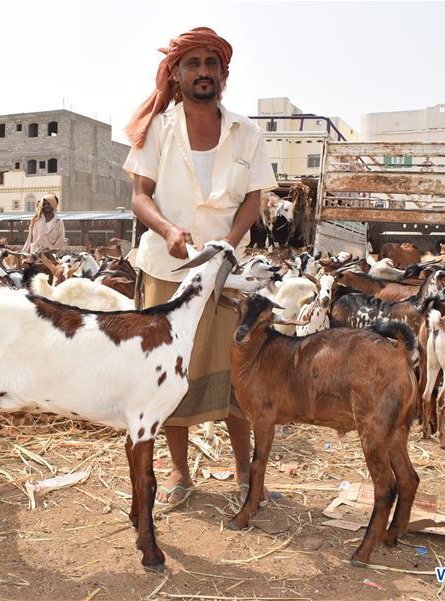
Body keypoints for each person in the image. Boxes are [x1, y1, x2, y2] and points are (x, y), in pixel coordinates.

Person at [124, 27, 277, 505]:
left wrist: (229, 244)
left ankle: (243, 471)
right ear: (176, 73)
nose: (204, 72)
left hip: (227, 273)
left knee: (237, 372)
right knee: (171, 372)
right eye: (193, 63)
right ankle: (179, 473)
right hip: (168, 271)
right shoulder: (157, 130)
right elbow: (140, 196)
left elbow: (252, 199)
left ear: (223, 74)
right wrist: (168, 230)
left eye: (212, 63)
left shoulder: (246, 132)